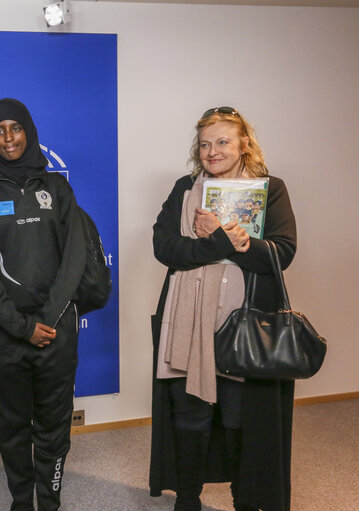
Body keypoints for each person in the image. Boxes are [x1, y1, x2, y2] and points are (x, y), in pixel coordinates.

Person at [149, 106, 297, 511]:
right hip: (187, 325)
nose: (212, 152)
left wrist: (234, 241)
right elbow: (165, 247)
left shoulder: (271, 189)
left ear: (244, 143)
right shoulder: (184, 188)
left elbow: (282, 253)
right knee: (189, 416)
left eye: (223, 141)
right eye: (205, 144)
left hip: (244, 327)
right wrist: (217, 244)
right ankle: (189, 498)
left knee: (238, 421)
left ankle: (244, 499)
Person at [0, 98, 86, 511]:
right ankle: (21, 502)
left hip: (57, 331)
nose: (8, 138)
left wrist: (47, 319)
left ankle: (49, 502)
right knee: (13, 429)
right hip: (8, 335)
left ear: (29, 131)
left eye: (15, 128)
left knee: (53, 429)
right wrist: (21, 326)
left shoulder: (58, 188)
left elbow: (75, 257)